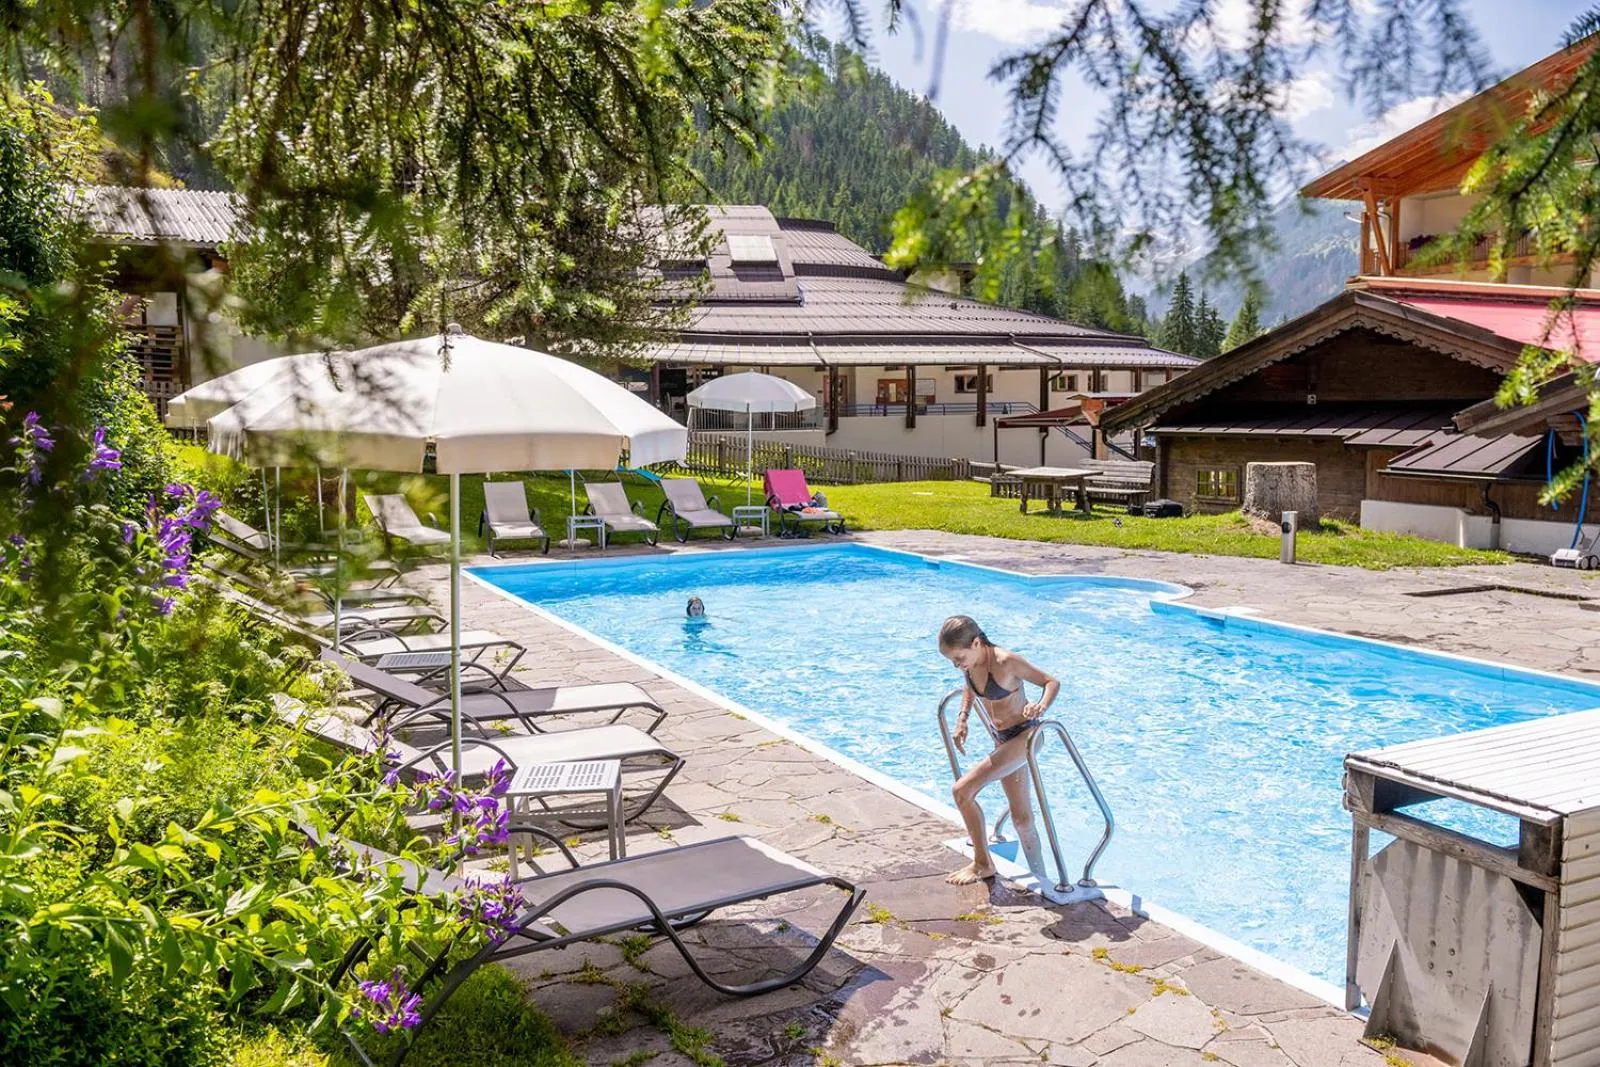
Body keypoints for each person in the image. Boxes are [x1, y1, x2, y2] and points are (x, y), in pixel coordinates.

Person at [938, 615, 1060, 886]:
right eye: (953, 661)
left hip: (1026, 737)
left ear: (977, 643)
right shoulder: (972, 666)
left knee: (962, 791)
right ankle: (1043, 878)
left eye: (959, 658)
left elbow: (1051, 682)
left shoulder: (1006, 661)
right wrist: (962, 718)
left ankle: (983, 863)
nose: (957, 665)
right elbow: (969, 687)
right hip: (1004, 741)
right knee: (1021, 818)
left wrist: (1040, 706)